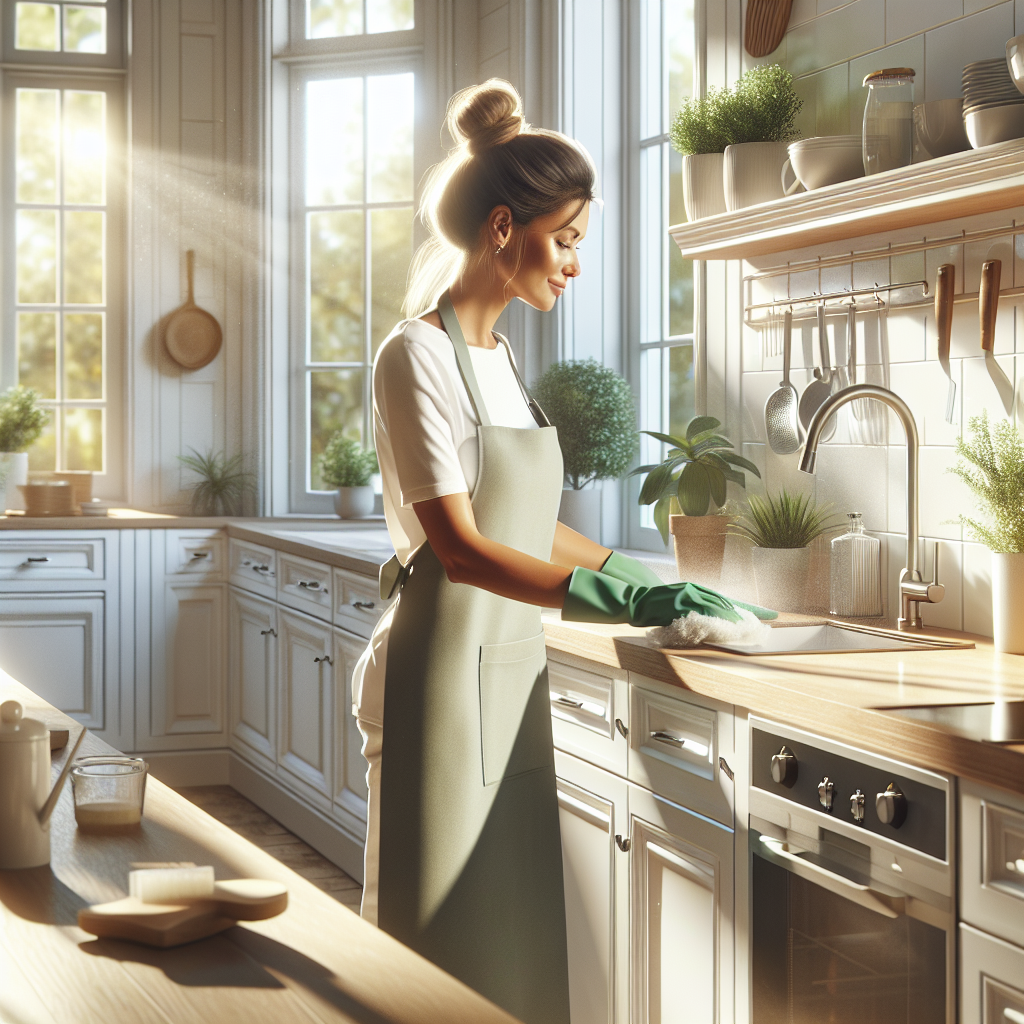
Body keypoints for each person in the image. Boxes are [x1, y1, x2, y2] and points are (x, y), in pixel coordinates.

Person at [352, 79, 773, 1024]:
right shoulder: (414, 356)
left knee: (511, 929)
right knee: (432, 935)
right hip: (437, 676)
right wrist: (617, 601)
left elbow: (527, 520)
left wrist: (656, 581)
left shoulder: (501, 360)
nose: (577, 261)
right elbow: (460, 548)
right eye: (569, 236)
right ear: (505, 227)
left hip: (506, 666)